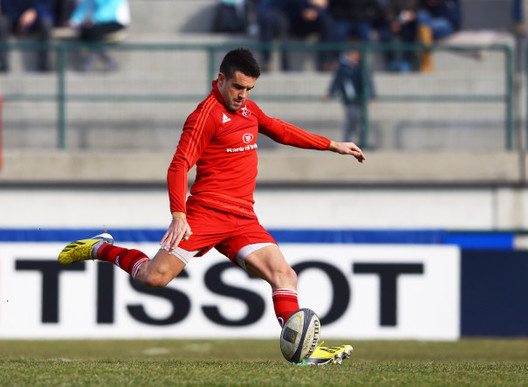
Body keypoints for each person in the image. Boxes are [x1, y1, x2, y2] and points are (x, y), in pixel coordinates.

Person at [58, 48, 363, 365]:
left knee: (284, 275)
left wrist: (332, 145)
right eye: (237, 87)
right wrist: (179, 215)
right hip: (205, 215)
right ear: (220, 79)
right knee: (153, 277)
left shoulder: (249, 111)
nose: (242, 95)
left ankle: (303, 352)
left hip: (243, 218)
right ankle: (99, 248)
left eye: (248, 89)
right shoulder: (204, 116)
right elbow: (178, 166)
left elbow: (281, 130)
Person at [257, 0, 333, 71]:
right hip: (292, 18)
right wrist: (306, 5)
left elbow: (324, 4)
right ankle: (280, 65)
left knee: (327, 22)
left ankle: (326, 62)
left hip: (312, 16)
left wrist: (315, 11)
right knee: (278, 22)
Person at [324, 43, 376, 148]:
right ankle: (346, 141)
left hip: (360, 98)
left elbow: (368, 82)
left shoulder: (362, 67)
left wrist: (372, 96)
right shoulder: (344, 68)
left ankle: (362, 142)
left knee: (361, 121)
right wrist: (330, 93)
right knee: (350, 120)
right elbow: (337, 82)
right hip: (349, 99)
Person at [67, 0, 130, 71]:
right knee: (85, 31)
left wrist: (94, 20)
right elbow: (84, 7)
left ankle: (90, 63)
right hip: (98, 22)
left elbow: (110, 10)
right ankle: (110, 61)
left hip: (116, 21)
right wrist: (74, 21)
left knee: (94, 32)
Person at [0, 0, 56, 72]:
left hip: (38, 16)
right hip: (14, 17)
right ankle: (3, 66)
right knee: (2, 24)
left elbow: (49, 5)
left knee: (46, 24)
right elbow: (6, 6)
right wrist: (21, 20)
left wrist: (35, 12)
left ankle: (45, 68)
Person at [416, 0, 461, 72]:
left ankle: (426, 62)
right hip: (429, 22)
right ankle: (426, 60)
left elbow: (454, 18)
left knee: (427, 28)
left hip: (448, 23)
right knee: (422, 16)